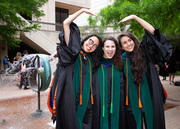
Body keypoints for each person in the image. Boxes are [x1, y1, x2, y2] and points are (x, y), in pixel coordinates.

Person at [49, 8, 102, 129]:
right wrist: (82, 11)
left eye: (95, 45)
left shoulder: (91, 60)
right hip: (70, 99)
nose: (91, 45)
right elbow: (66, 23)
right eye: (90, 41)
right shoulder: (72, 53)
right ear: (85, 40)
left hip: (86, 103)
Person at [117, 15, 172, 129]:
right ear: (121, 46)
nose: (128, 44)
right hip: (131, 103)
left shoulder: (145, 53)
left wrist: (135, 17)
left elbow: (152, 32)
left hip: (149, 96)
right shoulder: (121, 60)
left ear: (134, 40)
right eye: (124, 43)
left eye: (129, 40)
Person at [93, 37, 125, 129]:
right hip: (98, 107)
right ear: (102, 48)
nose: (110, 49)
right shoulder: (95, 64)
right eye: (107, 46)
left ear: (116, 48)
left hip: (118, 108)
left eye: (113, 46)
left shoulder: (120, 65)